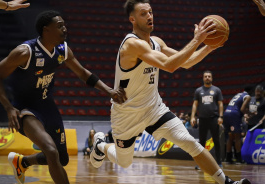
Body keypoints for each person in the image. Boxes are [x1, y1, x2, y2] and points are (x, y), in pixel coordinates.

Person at [89, 0, 250, 184]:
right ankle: (101, 144)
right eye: (143, 14)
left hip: (153, 108)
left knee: (190, 142)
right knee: (124, 161)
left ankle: (227, 182)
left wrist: (209, 46)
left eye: (150, 12)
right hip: (127, 114)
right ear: (132, 19)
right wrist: (197, 39)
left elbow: (186, 62)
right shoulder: (132, 45)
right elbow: (169, 65)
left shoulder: (156, 42)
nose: (149, 16)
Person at [0, 10, 126, 184]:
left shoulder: (63, 50)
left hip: (47, 106)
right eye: (60, 26)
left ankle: (22, 162)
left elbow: (83, 73)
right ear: (46, 30)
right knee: (50, 151)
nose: (65, 29)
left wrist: (110, 91)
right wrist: (8, 107)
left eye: (64, 25)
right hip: (25, 108)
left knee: (61, 159)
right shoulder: (25, 52)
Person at [190, 70, 224, 169]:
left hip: (214, 118)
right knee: (201, 142)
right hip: (202, 119)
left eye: (209, 76)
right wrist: (193, 116)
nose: (207, 78)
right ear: (203, 78)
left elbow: (220, 104)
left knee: (216, 141)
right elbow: (195, 104)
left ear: (212, 78)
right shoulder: (198, 90)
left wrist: (221, 117)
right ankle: (201, 163)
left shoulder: (217, 90)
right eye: (205, 76)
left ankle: (219, 162)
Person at [223, 86, 252, 164]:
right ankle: (239, 159)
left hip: (226, 113)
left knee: (230, 136)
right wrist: (250, 113)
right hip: (234, 115)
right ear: (251, 92)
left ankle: (228, 157)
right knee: (237, 137)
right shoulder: (248, 96)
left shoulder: (238, 94)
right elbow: (242, 109)